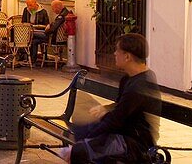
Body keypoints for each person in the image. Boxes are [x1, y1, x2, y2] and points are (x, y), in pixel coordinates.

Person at [59, 33, 160, 163]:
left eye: (117, 50)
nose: (114, 54)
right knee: (81, 131)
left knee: (80, 150)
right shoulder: (130, 77)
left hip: (135, 143)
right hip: (124, 131)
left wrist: (88, 138)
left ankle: (77, 147)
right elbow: (121, 109)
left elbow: (115, 120)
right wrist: (105, 109)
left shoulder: (139, 86)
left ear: (127, 56)